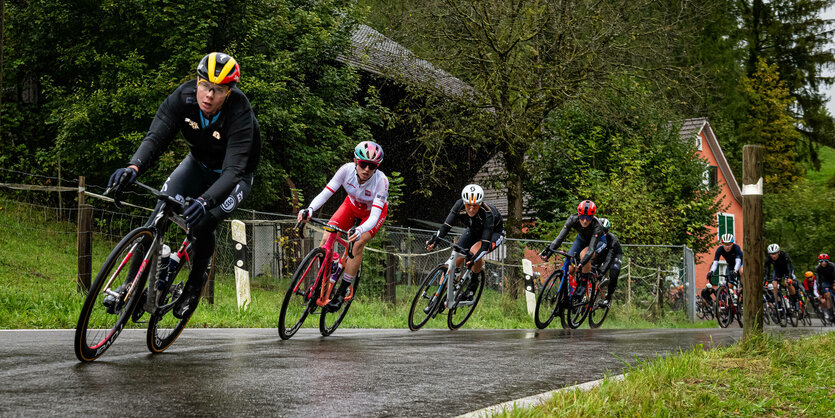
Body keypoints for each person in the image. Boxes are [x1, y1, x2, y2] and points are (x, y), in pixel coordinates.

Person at [105, 52, 262, 319]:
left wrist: (204, 201)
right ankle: (130, 285)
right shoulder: (183, 97)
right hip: (197, 164)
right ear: (197, 81)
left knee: (202, 223)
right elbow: (156, 136)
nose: (208, 95)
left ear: (229, 92)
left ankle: (194, 285)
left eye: (218, 90)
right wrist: (134, 166)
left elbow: (233, 170)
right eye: (204, 85)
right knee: (158, 213)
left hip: (234, 178)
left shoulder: (240, 112)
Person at [297, 141, 388, 311]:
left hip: (372, 214)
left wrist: (360, 229)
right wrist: (309, 209)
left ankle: (341, 291)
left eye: (372, 166)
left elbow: (375, 216)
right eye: (363, 164)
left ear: (377, 167)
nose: (366, 169)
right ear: (355, 161)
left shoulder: (381, 181)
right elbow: (326, 192)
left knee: (358, 244)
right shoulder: (346, 170)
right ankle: (323, 280)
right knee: (326, 237)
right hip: (351, 206)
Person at [426, 184, 505, 301]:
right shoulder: (459, 205)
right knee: (455, 258)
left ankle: (472, 288)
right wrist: (435, 241)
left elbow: (483, 246)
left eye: (475, 206)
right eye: (468, 205)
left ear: (480, 204)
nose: (471, 209)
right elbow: (446, 226)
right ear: (464, 202)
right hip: (473, 231)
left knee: (474, 253)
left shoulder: (488, 213)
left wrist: (472, 260)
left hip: (493, 234)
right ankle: (439, 295)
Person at [539, 200, 607, 295]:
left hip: (598, 242)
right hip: (582, 240)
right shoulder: (573, 219)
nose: (584, 220)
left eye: (588, 218)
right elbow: (560, 238)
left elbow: (591, 249)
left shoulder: (597, 225)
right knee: (567, 269)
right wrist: (549, 251)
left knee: (584, 255)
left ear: (592, 217)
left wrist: (582, 263)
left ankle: (583, 284)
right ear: (579, 215)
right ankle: (566, 297)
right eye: (582, 217)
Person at [591, 218, 621, 308]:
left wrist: (602, 272)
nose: (601, 233)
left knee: (614, 274)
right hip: (602, 253)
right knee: (590, 268)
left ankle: (608, 298)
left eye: (604, 231)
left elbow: (609, 258)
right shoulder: (594, 235)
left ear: (607, 231)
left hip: (614, 255)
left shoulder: (613, 240)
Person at [763, 243, 797, 311]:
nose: (773, 256)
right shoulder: (768, 259)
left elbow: (789, 267)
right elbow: (767, 270)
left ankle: (794, 301)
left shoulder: (784, 256)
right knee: (774, 285)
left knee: (787, 283)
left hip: (787, 270)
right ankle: (778, 304)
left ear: (778, 252)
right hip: (778, 271)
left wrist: (789, 277)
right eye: (772, 254)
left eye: (775, 253)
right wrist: (766, 280)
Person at [815, 253, 835, 321]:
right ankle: (831, 314)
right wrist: (819, 289)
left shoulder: (832, 266)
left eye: (825, 261)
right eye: (821, 261)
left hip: (833, 280)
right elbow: (818, 279)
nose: (823, 263)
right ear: (819, 262)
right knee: (828, 296)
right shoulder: (817, 268)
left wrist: (834, 284)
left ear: (827, 261)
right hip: (825, 282)